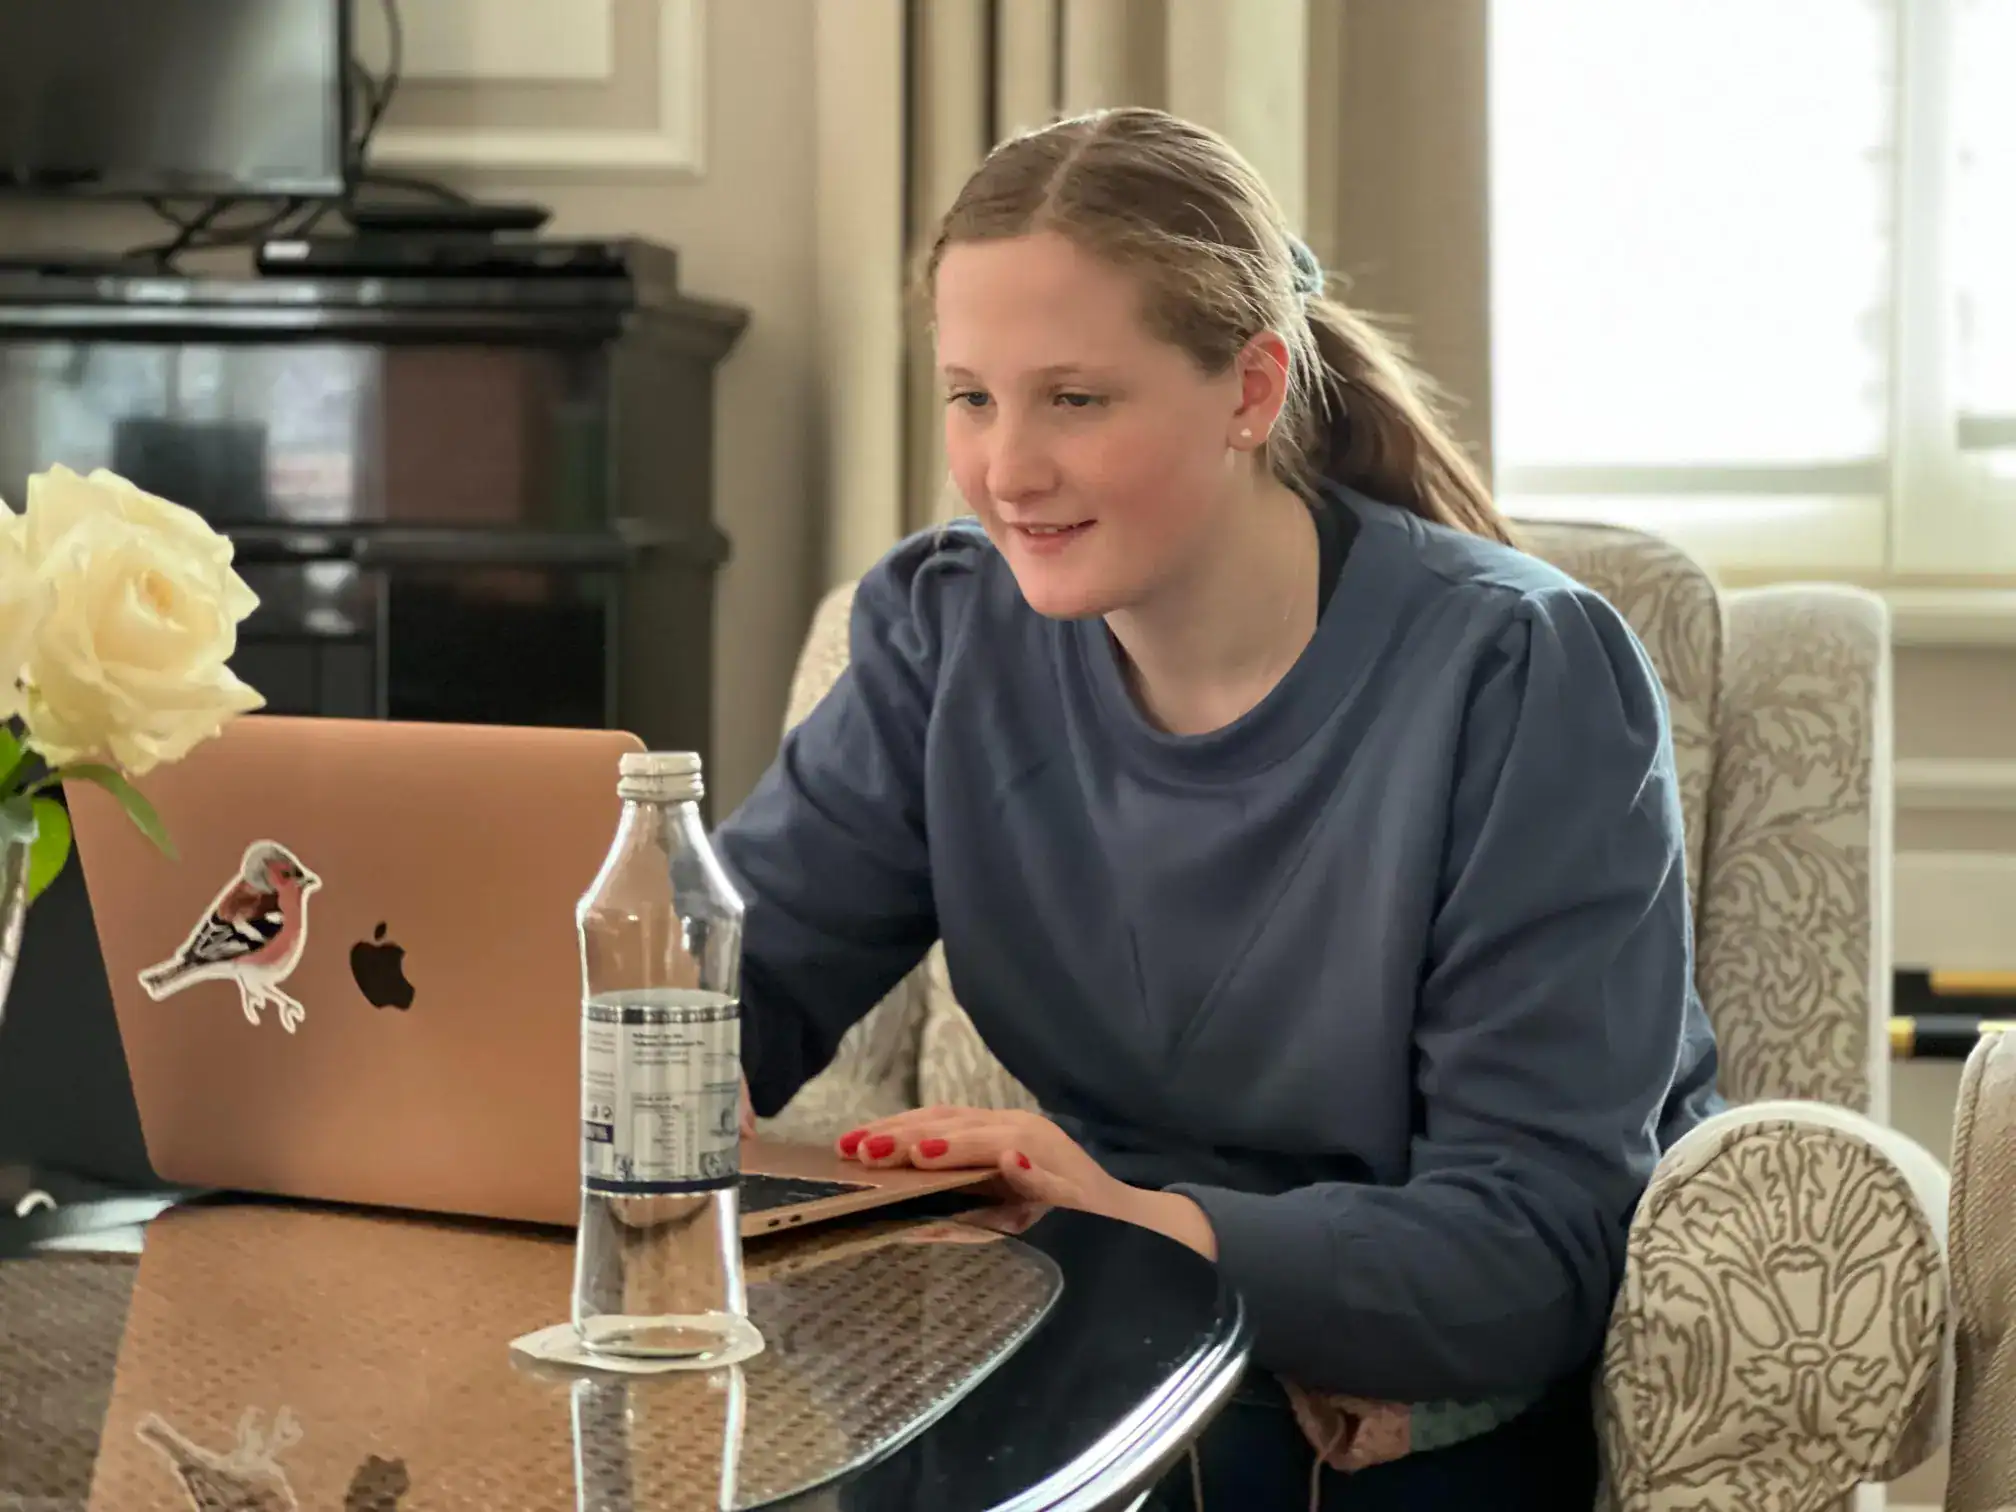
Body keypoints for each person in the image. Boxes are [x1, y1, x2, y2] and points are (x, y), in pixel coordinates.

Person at [715, 106, 1721, 1510]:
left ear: (1252, 388)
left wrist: (1131, 1224)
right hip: (1091, 1341)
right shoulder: (944, 632)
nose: (1007, 469)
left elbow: (1537, 1243)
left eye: (1075, 398)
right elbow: (717, 995)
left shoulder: (1522, 670)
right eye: (970, 396)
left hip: (1403, 1404)